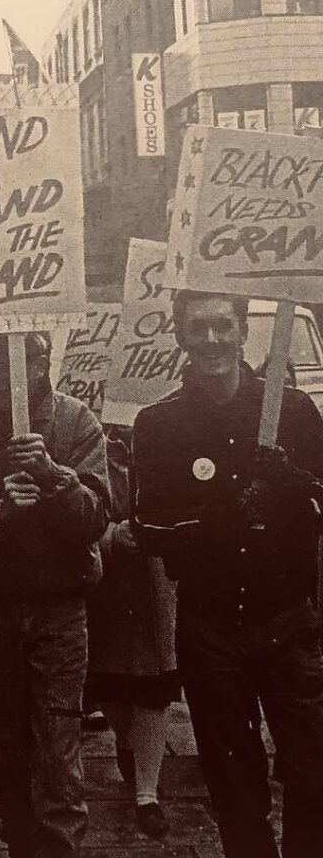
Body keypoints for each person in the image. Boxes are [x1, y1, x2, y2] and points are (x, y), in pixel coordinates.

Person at [131, 290, 323, 858]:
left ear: (244, 329)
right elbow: (148, 528)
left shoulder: (294, 411)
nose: (212, 340)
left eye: (223, 325)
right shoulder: (159, 423)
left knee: (313, 768)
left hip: (288, 621)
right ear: (180, 336)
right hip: (211, 629)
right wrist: (219, 516)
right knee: (234, 781)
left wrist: (293, 484)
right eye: (198, 328)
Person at [0, 331, 110, 858]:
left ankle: (58, 848)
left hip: (59, 611)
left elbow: (96, 520)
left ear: (41, 361)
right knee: (5, 745)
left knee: (58, 748)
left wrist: (56, 478)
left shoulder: (77, 424)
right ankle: (19, 844)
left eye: (5, 366)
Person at [85, 427, 178, 840]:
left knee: (151, 687)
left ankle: (146, 793)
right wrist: (109, 537)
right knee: (108, 682)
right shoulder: (86, 443)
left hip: (156, 582)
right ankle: (126, 741)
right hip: (102, 584)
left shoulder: (165, 435)